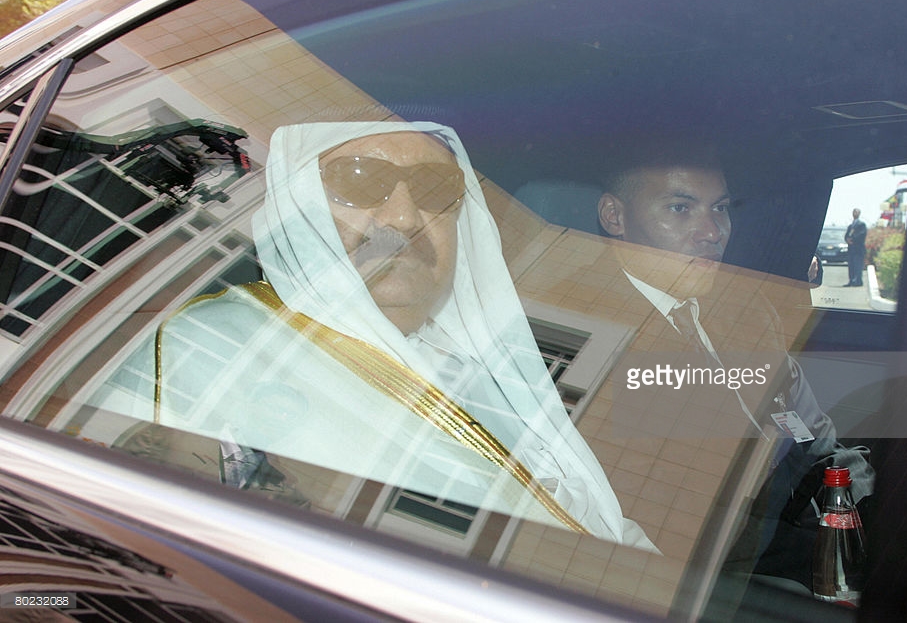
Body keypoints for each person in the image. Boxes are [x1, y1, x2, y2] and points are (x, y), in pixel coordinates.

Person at [88, 121, 654, 550]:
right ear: (297, 210)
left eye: (434, 188)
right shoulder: (215, 344)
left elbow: (585, 526)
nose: (404, 218)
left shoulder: (489, 372)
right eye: (359, 181)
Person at [595, 151, 872, 579]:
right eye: (680, 208)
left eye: (720, 208)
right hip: (729, 563)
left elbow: (812, 432)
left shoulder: (748, 309)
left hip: (806, 512)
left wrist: (852, 498)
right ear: (615, 216)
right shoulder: (591, 331)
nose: (712, 232)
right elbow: (667, 522)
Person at [844, 208, 868, 287]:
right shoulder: (850, 226)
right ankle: (851, 281)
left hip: (858, 250)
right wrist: (847, 240)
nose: (855, 213)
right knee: (851, 266)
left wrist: (853, 239)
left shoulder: (862, 225)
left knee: (858, 266)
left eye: (856, 212)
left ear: (859, 214)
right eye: (854, 212)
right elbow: (846, 235)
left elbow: (862, 234)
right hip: (851, 250)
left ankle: (858, 281)